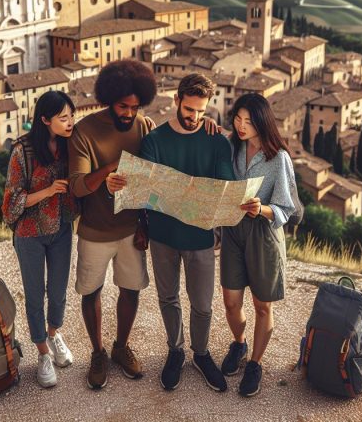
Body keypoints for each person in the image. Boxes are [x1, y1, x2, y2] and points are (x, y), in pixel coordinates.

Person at [138, 73, 233, 393]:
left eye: (201, 112)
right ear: (177, 100)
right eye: (189, 109)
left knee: (203, 305)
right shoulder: (154, 141)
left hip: (201, 238)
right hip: (162, 237)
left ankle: (201, 354)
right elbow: (146, 186)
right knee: (168, 298)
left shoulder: (217, 141)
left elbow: (224, 188)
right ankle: (176, 350)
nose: (194, 117)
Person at [68, 59, 158, 390]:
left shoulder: (144, 125)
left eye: (135, 107)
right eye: (123, 106)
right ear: (109, 99)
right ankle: (97, 353)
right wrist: (109, 169)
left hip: (132, 229)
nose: (129, 113)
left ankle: (121, 347)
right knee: (90, 291)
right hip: (94, 231)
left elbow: (155, 175)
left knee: (131, 289)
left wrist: (206, 126)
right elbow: (77, 185)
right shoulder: (85, 131)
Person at [219, 93, 297, 397]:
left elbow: (285, 209)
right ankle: (239, 344)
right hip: (232, 231)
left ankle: (255, 363)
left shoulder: (279, 159)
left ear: (262, 122)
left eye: (248, 121)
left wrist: (260, 208)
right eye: (238, 118)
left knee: (262, 305)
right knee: (230, 302)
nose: (241, 125)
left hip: (263, 233)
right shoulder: (231, 145)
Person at [1, 90, 79, 388]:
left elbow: (101, 127)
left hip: (61, 228)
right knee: (35, 294)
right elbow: (10, 201)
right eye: (63, 118)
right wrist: (48, 191)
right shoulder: (23, 151)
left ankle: (54, 333)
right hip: (30, 233)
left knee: (59, 289)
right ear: (45, 120)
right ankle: (43, 353)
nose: (70, 122)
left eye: (72, 115)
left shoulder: (72, 142)